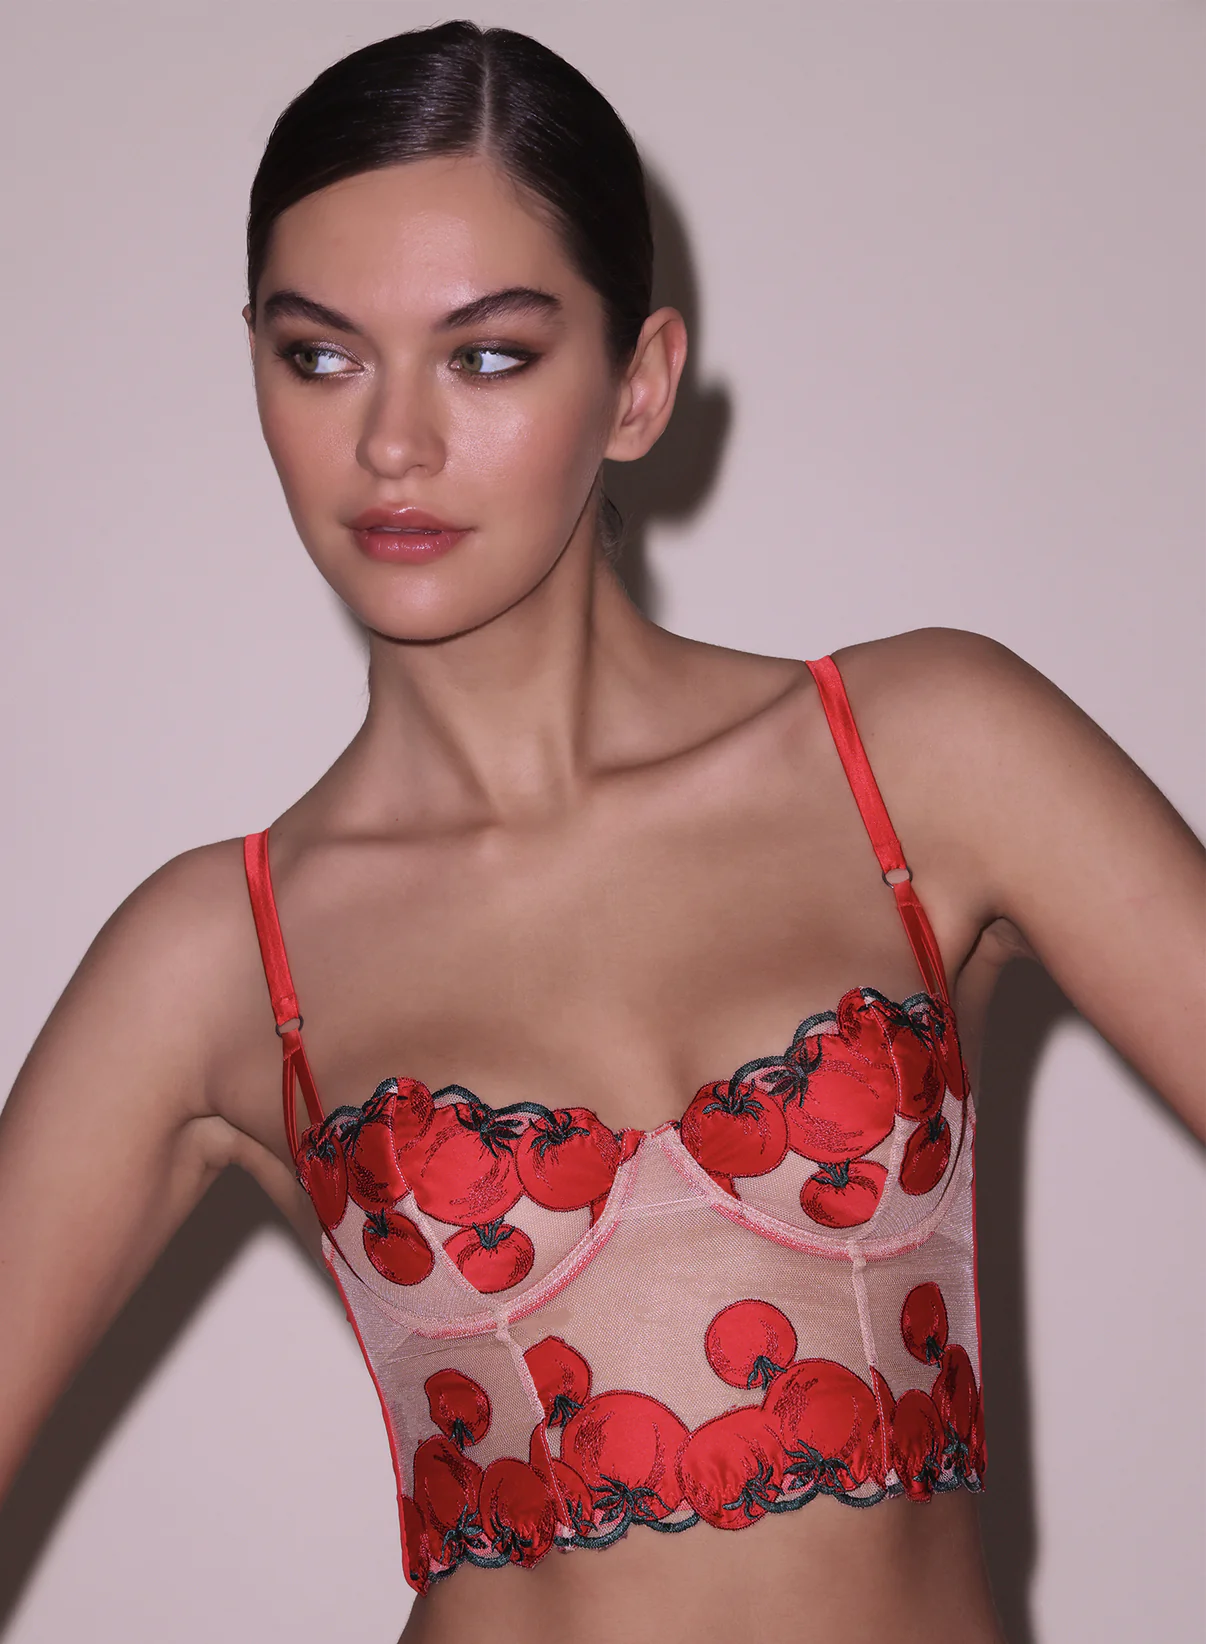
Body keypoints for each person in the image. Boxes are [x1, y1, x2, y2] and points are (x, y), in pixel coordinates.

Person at [0, 20, 1201, 1644]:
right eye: (321, 356)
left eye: (487, 355)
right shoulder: (215, 958)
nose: (392, 443)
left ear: (637, 385)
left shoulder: (921, 753)